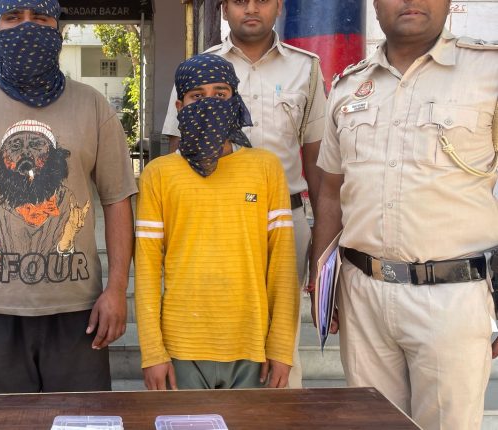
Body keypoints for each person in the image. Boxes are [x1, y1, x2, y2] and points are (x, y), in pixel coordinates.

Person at [0, 0, 137, 394]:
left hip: (77, 311)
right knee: (0, 420)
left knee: (81, 419)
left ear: (57, 28)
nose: (26, 27)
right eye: (14, 18)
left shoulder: (93, 106)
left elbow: (118, 199)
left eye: (40, 18)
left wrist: (117, 289)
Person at [310, 0, 498, 428]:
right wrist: (323, 282)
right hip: (362, 294)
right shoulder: (349, 86)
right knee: (371, 423)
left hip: (452, 296)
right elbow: (331, 193)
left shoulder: (488, 73)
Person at [162, 0, 326, 388]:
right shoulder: (202, 67)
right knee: (214, 322)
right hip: (213, 221)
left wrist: (321, 245)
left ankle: (274, 411)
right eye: (239, 0)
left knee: (282, 340)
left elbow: (317, 158)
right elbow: (177, 150)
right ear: (223, 8)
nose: (251, 8)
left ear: (279, 6)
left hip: (284, 221)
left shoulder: (305, 68)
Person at [136, 53, 299, 391]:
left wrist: (281, 345)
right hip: (181, 347)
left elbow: (282, 264)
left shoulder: (265, 168)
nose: (209, 103)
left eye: (220, 94)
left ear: (234, 101)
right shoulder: (159, 174)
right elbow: (148, 269)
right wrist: (152, 351)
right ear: (180, 107)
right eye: (197, 96)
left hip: (251, 345)